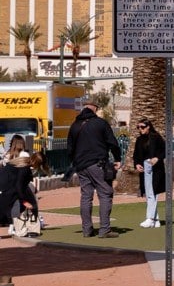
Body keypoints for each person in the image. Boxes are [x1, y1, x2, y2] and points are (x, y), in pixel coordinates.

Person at [66, 95, 122, 239]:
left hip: (81, 166)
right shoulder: (100, 123)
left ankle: (87, 230)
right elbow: (112, 142)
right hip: (97, 164)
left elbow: (69, 148)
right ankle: (104, 230)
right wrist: (117, 158)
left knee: (86, 196)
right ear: (95, 108)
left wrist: (75, 162)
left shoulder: (74, 125)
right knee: (105, 193)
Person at [132, 118, 166, 228]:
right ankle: (155, 219)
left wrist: (157, 158)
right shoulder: (139, 140)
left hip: (156, 169)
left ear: (148, 127)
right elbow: (136, 155)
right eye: (138, 127)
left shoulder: (156, 137)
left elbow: (165, 150)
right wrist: (137, 164)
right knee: (149, 193)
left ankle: (150, 218)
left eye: (142, 127)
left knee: (152, 193)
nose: (140, 129)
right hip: (145, 168)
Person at [0, 151, 37, 236]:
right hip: (5, 186)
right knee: (6, 208)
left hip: (6, 185)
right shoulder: (23, 167)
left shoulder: (18, 164)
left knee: (9, 208)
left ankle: (12, 227)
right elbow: (19, 185)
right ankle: (13, 227)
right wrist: (24, 201)